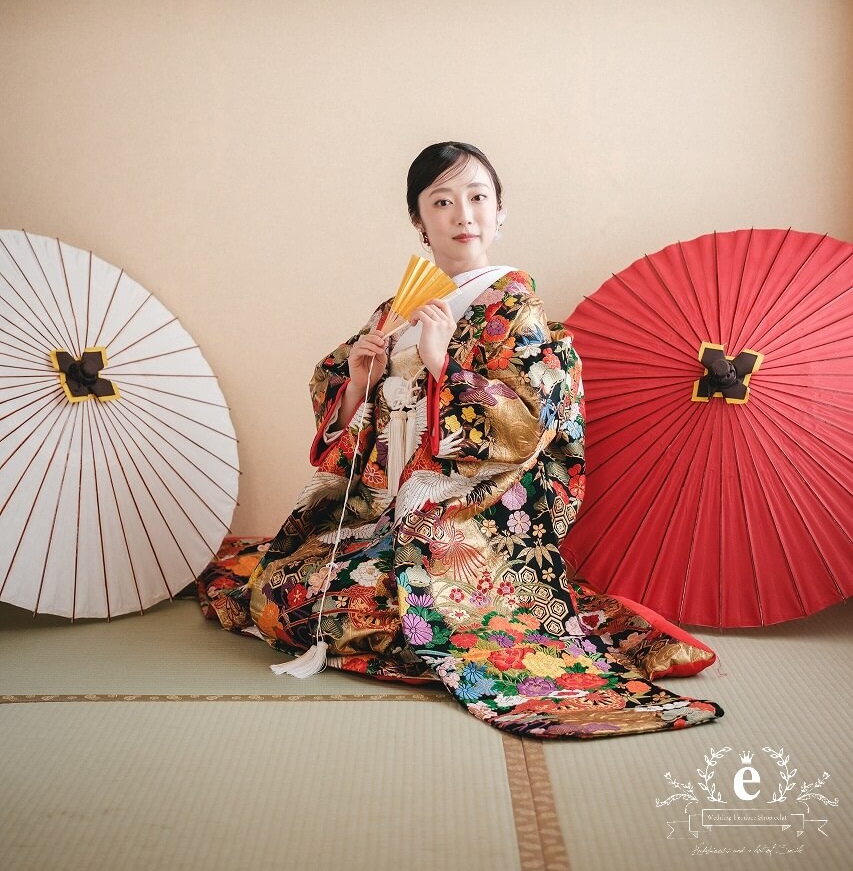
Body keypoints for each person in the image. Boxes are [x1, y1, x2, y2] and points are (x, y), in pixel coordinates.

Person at [197, 141, 724, 738]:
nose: (463, 215)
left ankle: (468, 625)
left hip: (468, 522)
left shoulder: (516, 309)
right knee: (280, 590)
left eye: (478, 198)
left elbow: (531, 424)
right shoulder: (395, 310)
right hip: (386, 509)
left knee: (358, 604)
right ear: (419, 222)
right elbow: (341, 403)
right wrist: (359, 385)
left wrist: (443, 365)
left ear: (501, 213)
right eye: (442, 202)